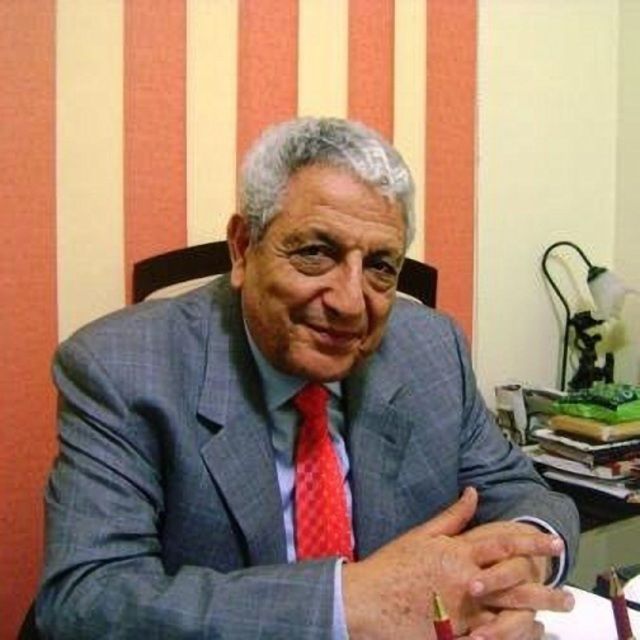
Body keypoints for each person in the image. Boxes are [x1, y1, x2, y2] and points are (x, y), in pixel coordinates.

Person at [36, 117, 579, 639]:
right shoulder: (121, 368)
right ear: (243, 248)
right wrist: (345, 605)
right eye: (316, 253)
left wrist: (518, 572)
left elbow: (524, 494)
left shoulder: (432, 349)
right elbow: (87, 600)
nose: (350, 303)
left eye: (380, 266)